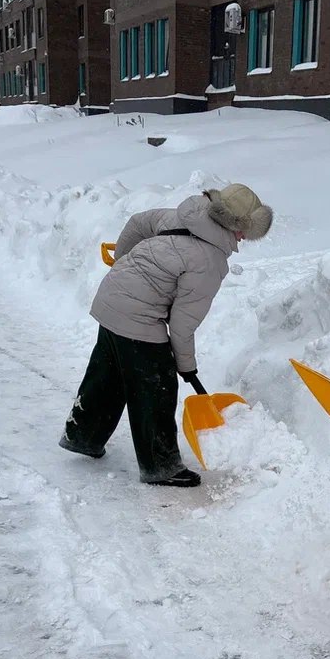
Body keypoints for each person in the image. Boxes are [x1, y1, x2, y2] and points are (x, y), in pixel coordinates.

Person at [60, 185, 274, 487]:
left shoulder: (183, 216)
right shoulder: (209, 261)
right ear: (234, 224)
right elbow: (182, 324)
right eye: (244, 230)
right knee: (156, 388)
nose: (242, 238)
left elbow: (137, 223)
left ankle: (83, 435)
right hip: (139, 315)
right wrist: (186, 366)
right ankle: (160, 466)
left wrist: (123, 263)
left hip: (111, 296)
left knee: (108, 372)